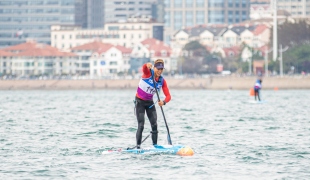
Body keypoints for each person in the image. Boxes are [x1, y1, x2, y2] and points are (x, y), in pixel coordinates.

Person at [134, 59, 171, 149]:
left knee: (154, 125)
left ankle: (155, 146)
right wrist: (147, 64)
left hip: (150, 103)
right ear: (154, 68)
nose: (160, 71)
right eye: (158, 69)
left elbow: (168, 96)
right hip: (140, 102)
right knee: (141, 125)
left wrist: (164, 102)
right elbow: (144, 68)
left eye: (161, 69)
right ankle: (138, 147)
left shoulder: (162, 81)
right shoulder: (148, 74)